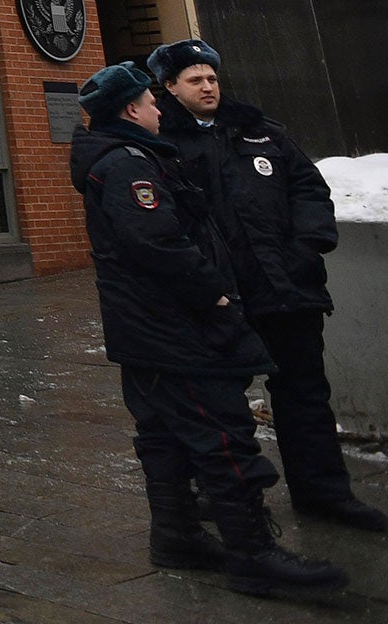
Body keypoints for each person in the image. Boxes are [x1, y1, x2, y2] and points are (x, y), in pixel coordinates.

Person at [71, 60, 346, 599]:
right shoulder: (130, 165)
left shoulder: (129, 157)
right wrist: (215, 294)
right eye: (151, 101)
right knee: (223, 437)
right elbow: (159, 243)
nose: (158, 108)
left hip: (146, 330)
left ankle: (177, 536)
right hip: (173, 328)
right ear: (131, 109)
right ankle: (253, 555)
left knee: (164, 435)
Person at [151, 37, 386, 532]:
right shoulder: (161, 145)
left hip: (287, 291)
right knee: (222, 406)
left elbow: (308, 187)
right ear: (169, 87)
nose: (208, 85)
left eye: (212, 76)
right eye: (194, 79)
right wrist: (200, 281)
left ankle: (324, 494)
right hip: (220, 299)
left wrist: (308, 246)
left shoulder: (260, 132)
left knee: (305, 396)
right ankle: (233, 505)